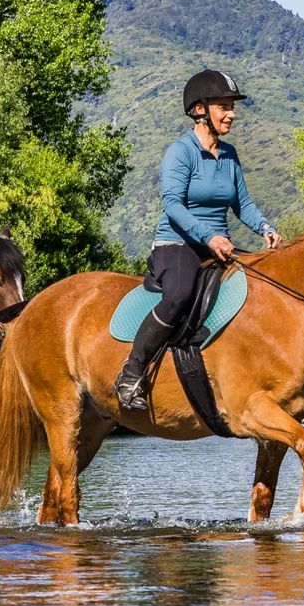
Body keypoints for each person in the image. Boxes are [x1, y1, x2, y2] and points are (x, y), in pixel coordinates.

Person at [114, 69, 283, 411]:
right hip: (177, 245)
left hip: (217, 245)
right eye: (224, 106)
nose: (232, 113)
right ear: (200, 110)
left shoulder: (230, 155)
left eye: (231, 107)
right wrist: (210, 236)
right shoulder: (181, 152)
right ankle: (131, 372)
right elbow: (172, 205)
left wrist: (265, 227)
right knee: (178, 295)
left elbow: (243, 205)